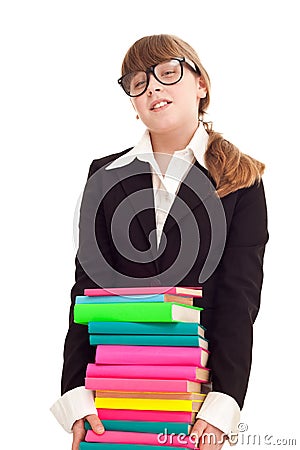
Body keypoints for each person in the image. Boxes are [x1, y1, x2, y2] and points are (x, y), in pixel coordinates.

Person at [51, 34, 269, 450]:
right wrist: (75, 395)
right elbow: (86, 290)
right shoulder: (104, 176)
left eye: (167, 73)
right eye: (137, 82)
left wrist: (221, 405)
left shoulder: (241, 180)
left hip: (195, 395)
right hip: (109, 393)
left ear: (200, 84)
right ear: (133, 102)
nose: (152, 87)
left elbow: (239, 299)